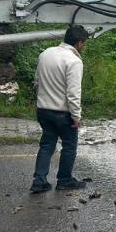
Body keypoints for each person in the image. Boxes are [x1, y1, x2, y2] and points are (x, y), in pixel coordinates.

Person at [30, 25, 90, 193]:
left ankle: (39, 181)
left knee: (47, 145)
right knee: (69, 146)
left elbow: (37, 81)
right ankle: (64, 180)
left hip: (43, 110)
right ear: (79, 43)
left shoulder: (45, 54)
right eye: (83, 43)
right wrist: (76, 117)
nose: (83, 46)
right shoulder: (74, 61)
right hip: (63, 113)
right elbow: (73, 93)